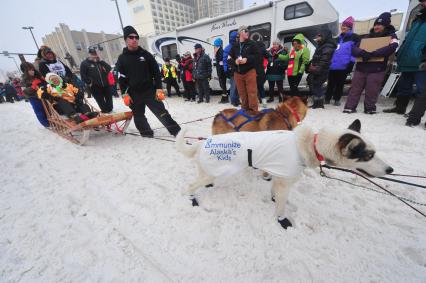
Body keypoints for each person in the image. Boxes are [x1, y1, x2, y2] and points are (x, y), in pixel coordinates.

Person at [116, 26, 180, 137]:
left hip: (149, 91)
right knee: (139, 116)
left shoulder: (145, 55)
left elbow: (156, 72)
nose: (134, 39)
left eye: (136, 37)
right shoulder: (122, 58)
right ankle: (147, 134)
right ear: (126, 40)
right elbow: (121, 78)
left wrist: (159, 88)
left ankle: (177, 132)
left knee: (162, 113)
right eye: (131, 37)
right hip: (134, 94)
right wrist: (125, 94)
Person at [344, 12, 399, 114]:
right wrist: (363, 53)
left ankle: (369, 108)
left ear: (386, 25)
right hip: (361, 67)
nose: (377, 27)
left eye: (380, 25)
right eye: (376, 24)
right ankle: (349, 107)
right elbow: (354, 48)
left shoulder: (391, 37)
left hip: (377, 69)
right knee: (355, 89)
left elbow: (393, 46)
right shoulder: (366, 36)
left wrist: (373, 54)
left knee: (372, 90)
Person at [384, 0, 426, 126]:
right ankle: (400, 107)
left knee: (421, 89)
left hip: (421, 58)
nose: (422, 3)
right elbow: (408, 37)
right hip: (408, 57)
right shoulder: (417, 17)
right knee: (404, 86)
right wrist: (400, 51)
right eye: (421, 1)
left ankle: (416, 112)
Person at [325, 17, 360, 106]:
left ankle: (337, 99)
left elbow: (355, 51)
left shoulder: (355, 37)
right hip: (333, 65)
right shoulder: (337, 39)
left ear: (350, 27)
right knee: (330, 83)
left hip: (344, 65)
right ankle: (327, 98)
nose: (343, 27)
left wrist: (351, 62)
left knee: (340, 84)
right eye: (342, 25)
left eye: (345, 26)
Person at [229, 26, 260, 111]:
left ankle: (254, 113)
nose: (247, 32)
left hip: (249, 72)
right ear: (239, 33)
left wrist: (247, 59)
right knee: (242, 94)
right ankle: (245, 113)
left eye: (248, 31)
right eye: (245, 31)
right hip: (238, 74)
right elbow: (228, 59)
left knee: (252, 93)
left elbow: (258, 57)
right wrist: (235, 62)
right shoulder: (235, 46)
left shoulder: (252, 43)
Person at [306, 30, 337, 109]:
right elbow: (317, 57)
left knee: (317, 85)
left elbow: (325, 59)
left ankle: (319, 104)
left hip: (321, 69)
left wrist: (317, 68)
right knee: (315, 85)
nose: (317, 37)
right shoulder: (321, 45)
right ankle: (317, 103)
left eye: (319, 36)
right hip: (318, 68)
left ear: (324, 36)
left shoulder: (328, 46)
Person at [80, 48, 113, 113]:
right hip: (95, 86)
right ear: (89, 54)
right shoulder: (84, 63)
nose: (94, 55)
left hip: (105, 84)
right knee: (100, 100)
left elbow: (109, 68)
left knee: (109, 98)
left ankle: (110, 109)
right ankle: (104, 111)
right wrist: (89, 82)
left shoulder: (100, 62)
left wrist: (101, 61)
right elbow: (83, 76)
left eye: (95, 54)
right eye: (92, 54)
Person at [20, 62, 49, 127]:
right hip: (33, 97)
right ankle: (45, 123)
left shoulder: (37, 76)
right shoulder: (23, 80)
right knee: (39, 110)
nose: (32, 71)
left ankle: (50, 119)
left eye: (32, 69)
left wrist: (45, 80)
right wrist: (33, 86)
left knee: (47, 107)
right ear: (25, 71)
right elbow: (24, 91)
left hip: (43, 95)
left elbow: (45, 83)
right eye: (30, 70)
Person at [223, 31, 240, 107]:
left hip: (236, 69)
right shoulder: (229, 47)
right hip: (232, 69)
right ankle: (233, 101)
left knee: (236, 86)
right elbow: (225, 59)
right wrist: (226, 69)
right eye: (237, 37)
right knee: (234, 86)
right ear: (234, 38)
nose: (239, 38)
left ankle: (236, 100)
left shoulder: (236, 46)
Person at [255, 40, 269, 107]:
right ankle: (264, 103)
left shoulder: (252, 48)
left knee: (254, 88)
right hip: (261, 71)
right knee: (261, 87)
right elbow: (268, 56)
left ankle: (256, 102)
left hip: (253, 71)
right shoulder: (262, 49)